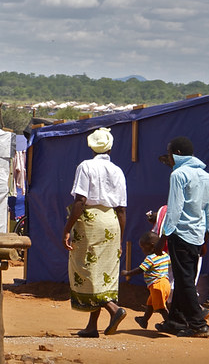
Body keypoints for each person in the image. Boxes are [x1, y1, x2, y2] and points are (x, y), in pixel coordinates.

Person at [62, 127, 127, 338]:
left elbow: (80, 201)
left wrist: (67, 228)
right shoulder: (117, 171)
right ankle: (92, 326)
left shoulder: (85, 166)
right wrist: (120, 239)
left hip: (90, 223)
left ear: (91, 146)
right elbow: (122, 209)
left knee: (85, 270)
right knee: (103, 272)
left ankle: (113, 309)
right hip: (112, 223)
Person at [154, 136, 209, 338]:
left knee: (184, 281)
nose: (169, 158)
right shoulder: (206, 176)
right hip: (197, 236)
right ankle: (175, 322)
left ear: (178, 154)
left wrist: (163, 236)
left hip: (180, 234)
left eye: (170, 152)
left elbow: (175, 208)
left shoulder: (178, 175)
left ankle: (199, 324)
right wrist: (207, 235)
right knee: (186, 279)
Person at [122, 231, 171, 329]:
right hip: (165, 283)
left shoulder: (150, 258)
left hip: (157, 285)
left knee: (161, 307)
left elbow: (141, 269)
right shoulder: (165, 255)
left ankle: (170, 324)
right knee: (150, 304)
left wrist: (128, 273)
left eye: (143, 247)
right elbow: (169, 264)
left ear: (152, 245)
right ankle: (144, 320)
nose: (142, 250)